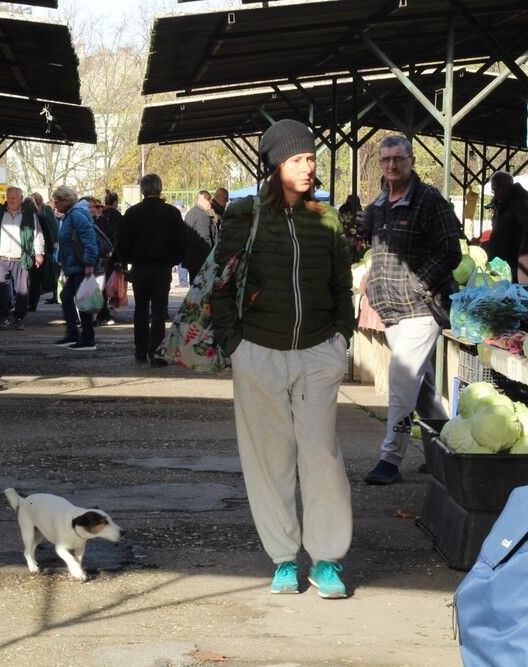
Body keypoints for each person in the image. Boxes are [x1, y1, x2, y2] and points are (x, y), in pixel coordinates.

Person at [211, 119, 355, 599]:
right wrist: (236, 344)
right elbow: (222, 281)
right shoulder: (246, 214)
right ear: (275, 165)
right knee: (269, 459)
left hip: (318, 352)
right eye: (297, 159)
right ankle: (283, 559)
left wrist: (341, 338)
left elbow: (341, 284)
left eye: (311, 158)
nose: (308, 166)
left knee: (322, 456)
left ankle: (328, 559)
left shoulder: (327, 218)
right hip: (259, 352)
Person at [362, 136, 461, 485]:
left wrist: (420, 284)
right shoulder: (381, 201)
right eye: (386, 159)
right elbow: (368, 238)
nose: (391, 165)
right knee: (421, 392)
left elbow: (452, 251)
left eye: (398, 159)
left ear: (411, 161)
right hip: (390, 311)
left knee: (401, 382)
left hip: (422, 309)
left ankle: (390, 460)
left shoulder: (428, 199)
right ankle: (448, 448)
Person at [114, 174, 187, 365]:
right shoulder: (172, 213)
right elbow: (180, 242)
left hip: (140, 268)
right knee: (159, 310)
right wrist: (173, 260)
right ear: (160, 189)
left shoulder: (132, 213)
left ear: (143, 190)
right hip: (162, 268)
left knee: (140, 309)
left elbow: (122, 243)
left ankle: (140, 350)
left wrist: (123, 262)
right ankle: (156, 352)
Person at [0, 186, 45, 330]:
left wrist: (39, 253)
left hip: (21, 258)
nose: (10, 200)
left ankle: (19, 318)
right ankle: (3, 317)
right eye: (8, 198)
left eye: (13, 198)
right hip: (1, 257)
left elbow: (37, 234)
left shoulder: (30, 214)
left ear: (21, 199)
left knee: (22, 291)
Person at [52, 185, 99, 351]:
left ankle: (87, 338)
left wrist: (88, 264)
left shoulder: (76, 215)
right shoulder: (70, 215)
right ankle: (73, 334)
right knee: (66, 297)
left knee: (83, 301)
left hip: (81, 266)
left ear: (66, 201)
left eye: (57, 201)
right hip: (74, 266)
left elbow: (89, 239)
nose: (55, 204)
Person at [485, 171, 528, 282]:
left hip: (514, 267)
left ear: (509, 186)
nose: (496, 194)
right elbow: (499, 233)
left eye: (499, 189)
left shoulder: (521, 205)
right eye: (494, 191)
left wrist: (523, 277)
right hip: (501, 265)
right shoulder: (500, 204)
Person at [93, 190, 125, 324]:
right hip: (111, 255)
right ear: (116, 202)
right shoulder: (117, 216)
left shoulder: (101, 217)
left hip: (101, 256)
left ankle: (102, 312)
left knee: (101, 285)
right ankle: (104, 313)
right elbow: (120, 237)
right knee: (107, 285)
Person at [32, 191, 61, 304]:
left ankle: (55, 294)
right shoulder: (41, 210)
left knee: (53, 271)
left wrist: (54, 242)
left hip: (49, 245)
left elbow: (53, 226)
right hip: (46, 244)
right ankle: (54, 294)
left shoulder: (46, 210)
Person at [181, 190, 217, 282]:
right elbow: (205, 239)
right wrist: (210, 260)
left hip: (192, 259)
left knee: (194, 288)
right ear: (205, 200)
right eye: (210, 200)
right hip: (201, 261)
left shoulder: (191, 212)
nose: (211, 203)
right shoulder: (202, 215)